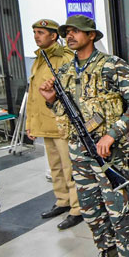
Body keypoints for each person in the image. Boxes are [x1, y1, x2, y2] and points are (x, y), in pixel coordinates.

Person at [37, 15, 129, 257]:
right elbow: (64, 112)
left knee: (120, 210)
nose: (70, 36)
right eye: (67, 32)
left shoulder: (112, 65)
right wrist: (50, 99)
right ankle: (109, 256)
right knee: (91, 209)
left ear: (91, 35)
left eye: (75, 32)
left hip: (109, 154)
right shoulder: (64, 70)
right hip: (79, 153)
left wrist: (112, 135)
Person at [26, 18, 82, 230]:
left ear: (53, 36)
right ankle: (63, 201)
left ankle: (77, 208)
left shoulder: (64, 57)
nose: (37, 36)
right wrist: (31, 123)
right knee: (55, 167)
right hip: (44, 122)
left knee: (70, 168)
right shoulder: (38, 59)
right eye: (35, 32)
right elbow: (33, 95)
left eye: (41, 32)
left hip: (61, 123)